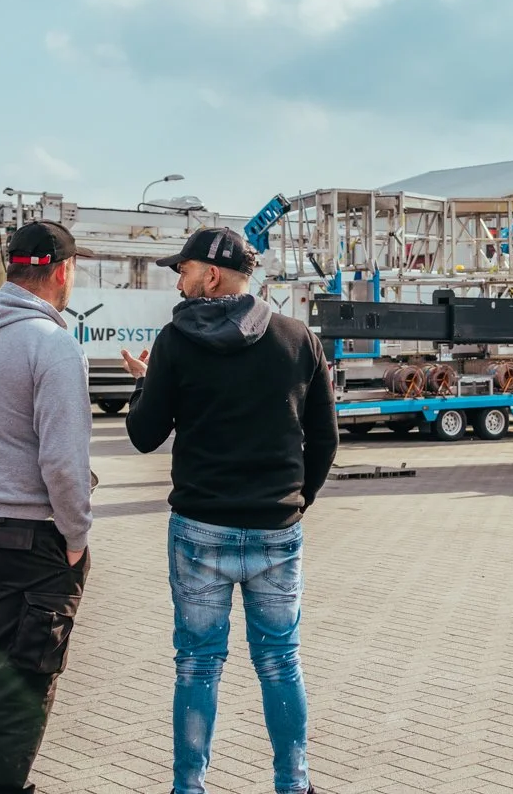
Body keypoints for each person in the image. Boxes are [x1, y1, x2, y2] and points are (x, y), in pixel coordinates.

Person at [121, 226, 339, 794]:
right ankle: (294, 785)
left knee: (197, 665)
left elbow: (144, 436)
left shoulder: (174, 341)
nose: (179, 278)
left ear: (210, 275)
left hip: (200, 530)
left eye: (184, 269)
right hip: (276, 531)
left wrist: (145, 387)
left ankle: (189, 788)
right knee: (280, 663)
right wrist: (296, 503)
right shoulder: (298, 338)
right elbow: (325, 439)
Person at [0, 220, 96, 794]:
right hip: (30, 538)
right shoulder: (52, 345)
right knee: (21, 679)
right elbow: (62, 460)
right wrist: (76, 534)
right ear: (62, 271)